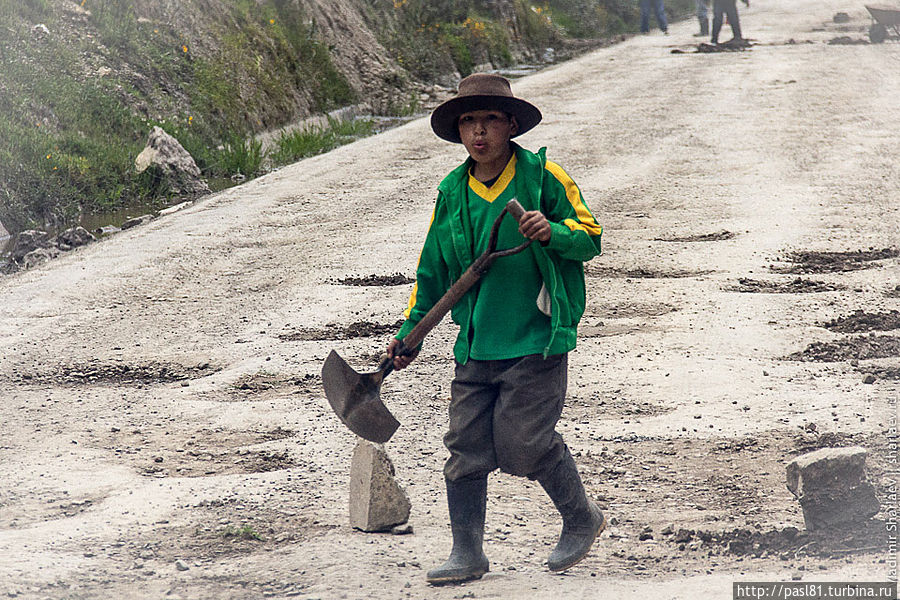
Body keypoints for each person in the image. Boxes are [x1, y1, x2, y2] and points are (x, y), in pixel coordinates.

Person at [387, 73, 605, 585]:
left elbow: (590, 235)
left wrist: (552, 231)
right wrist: (409, 334)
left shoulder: (544, 175)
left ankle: (581, 517)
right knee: (465, 449)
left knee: (523, 444)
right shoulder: (452, 192)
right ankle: (468, 552)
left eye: (489, 120)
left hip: (535, 340)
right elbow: (432, 272)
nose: (478, 132)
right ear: (459, 131)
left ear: (511, 125)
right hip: (476, 347)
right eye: (468, 121)